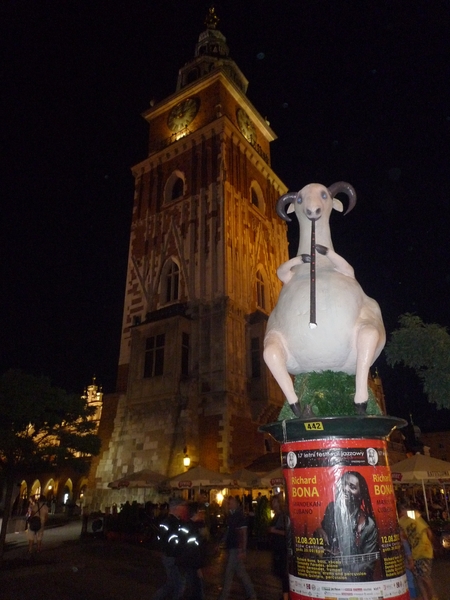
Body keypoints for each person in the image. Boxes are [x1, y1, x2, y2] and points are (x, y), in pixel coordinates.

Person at [315, 471, 379, 581]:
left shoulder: (368, 525)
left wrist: (340, 571)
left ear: (361, 494)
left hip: (354, 584)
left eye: (352, 487)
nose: (345, 488)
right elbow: (324, 540)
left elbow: (368, 565)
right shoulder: (331, 509)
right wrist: (319, 533)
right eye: (344, 483)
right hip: (329, 580)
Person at [218, 496, 257, 600]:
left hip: (236, 547)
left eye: (231, 502)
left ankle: (223, 596)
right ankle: (252, 594)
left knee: (229, 573)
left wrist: (242, 549)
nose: (229, 504)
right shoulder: (232, 515)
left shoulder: (239, 516)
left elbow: (243, 533)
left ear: (236, 503)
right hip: (233, 546)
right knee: (241, 572)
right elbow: (229, 531)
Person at [398, 502, 438, 600]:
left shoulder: (413, 516)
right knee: (419, 578)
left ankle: (433, 596)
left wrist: (430, 544)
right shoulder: (402, 521)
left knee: (424, 576)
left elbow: (428, 531)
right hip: (416, 552)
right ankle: (426, 597)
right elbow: (403, 536)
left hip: (424, 550)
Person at [152, 497, 189, 600]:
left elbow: (162, 539)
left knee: (172, 583)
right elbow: (173, 541)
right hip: (171, 556)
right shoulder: (173, 522)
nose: (184, 509)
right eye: (182, 507)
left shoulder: (170, 521)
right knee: (179, 584)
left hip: (169, 555)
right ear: (177, 508)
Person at [268, 494, 289, 600]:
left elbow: (287, 532)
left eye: (275, 501)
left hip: (282, 547)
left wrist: (274, 531)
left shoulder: (282, 516)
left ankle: (286, 595)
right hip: (277, 547)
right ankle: (285, 593)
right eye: (272, 502)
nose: (273, 503)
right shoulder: (276, 515)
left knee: (283, 572)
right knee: (279, 572)